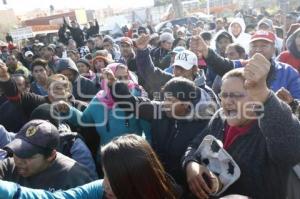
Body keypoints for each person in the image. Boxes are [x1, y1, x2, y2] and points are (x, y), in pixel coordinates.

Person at [183, 54, 300, 198]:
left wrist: (266, 96)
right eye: (224, 95)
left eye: (237, 95)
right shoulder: (220, 117)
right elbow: (195, 144)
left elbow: (290, 153)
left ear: (256, 97)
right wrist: (191, 165)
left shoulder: (269, 128)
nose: (227, 101)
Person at [109, 76, 215, 193]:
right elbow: (132, 104)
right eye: (165, 99)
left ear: (187, 104)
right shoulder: (159, 110)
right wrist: (115, 84)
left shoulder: (204, 124)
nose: (166, 104)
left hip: (185, 187)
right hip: (158, 179)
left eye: (172, 100)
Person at [0, 134, 180, 198]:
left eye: (113, 176)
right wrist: (7, 191)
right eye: (105, 174)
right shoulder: (99, 190)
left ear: (135, 178)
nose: (105, 183)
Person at [56, 63, 151, 148]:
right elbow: (84, 120)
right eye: (117, 78)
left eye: (126, 77)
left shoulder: (136, 100)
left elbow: (149, 135)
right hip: (106, 158)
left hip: (133, 158)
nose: (123, 82)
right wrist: (69, 110)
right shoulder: (98, 100)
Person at [195, 30, 300, 99]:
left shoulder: (289, 72)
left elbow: (297, 101)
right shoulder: (243, 66)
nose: (258, 49)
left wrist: (290, 103)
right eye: (254, 46)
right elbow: (223, 65)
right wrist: (206, 51)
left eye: (264, 45)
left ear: (273, 48)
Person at [0, 120, 93, 191]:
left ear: (51, 156)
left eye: (28, 155)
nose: (19, 161)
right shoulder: (9, 167)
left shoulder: (75, 179)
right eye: (17, 151)